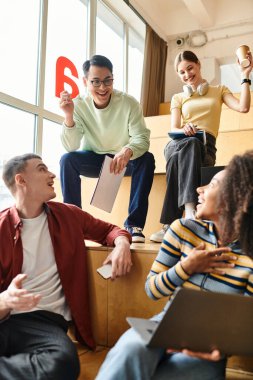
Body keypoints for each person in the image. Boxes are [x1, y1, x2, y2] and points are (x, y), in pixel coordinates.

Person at [96, 150, 253, 380]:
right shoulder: (182, 230)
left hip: (208, 344)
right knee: (131, 350)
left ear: (237, 200)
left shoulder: (250, 257)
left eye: (213, 184)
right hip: (163, 326)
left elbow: (245, 324)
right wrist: (187, 267)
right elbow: (152, 290)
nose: (199, 189)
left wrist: (221, 349)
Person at [0, 153, 132, 380]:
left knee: (62, 362)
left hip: (45, 322)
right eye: (42, 169)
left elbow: (110, 230)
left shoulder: (68, 214)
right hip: (5, 317)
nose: (52, 174)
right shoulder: (1, 226)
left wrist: (122, 244)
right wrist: (5, 300)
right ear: (21, 180)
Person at [150, 49, 253, 243]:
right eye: (182, 72)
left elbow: (243, 107)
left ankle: (169, 224)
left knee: (177, 160)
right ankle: (190, 213)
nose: (187, 75)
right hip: (178, 141)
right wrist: (185, 129)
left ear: (198, 64)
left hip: (205, 148)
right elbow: (173, 127)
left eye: (190, 68)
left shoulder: (219, 90)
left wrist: (245, 76)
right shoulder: (178, 98)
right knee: (189, 143)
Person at [59, 54, 155, 243]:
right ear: (86, 81)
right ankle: (74, 223)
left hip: (123, 159)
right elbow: (71, 146)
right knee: (67, 160)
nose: (102, 88)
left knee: (147, 159)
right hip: (94, 158)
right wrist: (69, 115)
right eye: (95, 82)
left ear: (113, 79)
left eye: (107, 81)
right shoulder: (78, 105)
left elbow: (141, 138)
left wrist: (128, 150)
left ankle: (134, 225)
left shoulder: (129, 103)